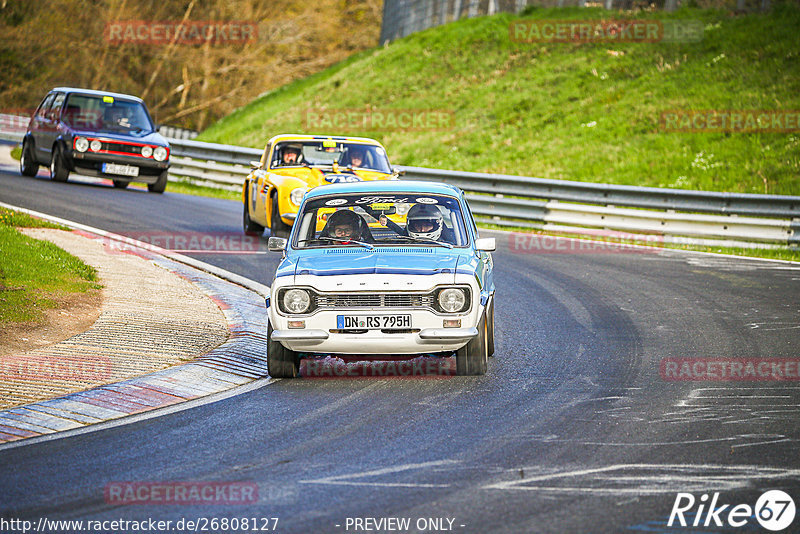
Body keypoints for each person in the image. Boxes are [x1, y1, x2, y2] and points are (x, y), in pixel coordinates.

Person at [378, 203, 455, 244]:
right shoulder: (400, 244)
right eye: (418, 225)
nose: (422, 229)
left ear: (437, 224)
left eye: (427, 225)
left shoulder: (450, 246)